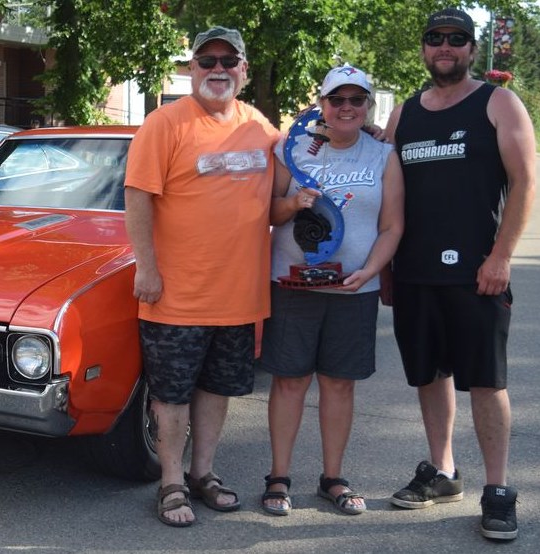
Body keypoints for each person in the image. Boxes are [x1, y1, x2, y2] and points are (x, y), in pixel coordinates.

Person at [383, 8, 536, 541]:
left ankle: (497, 490)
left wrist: (501, 256)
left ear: (471, 49)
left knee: (487, 381)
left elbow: (524, 182)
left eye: (455, 39)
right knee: (429, 374)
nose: (444, 47)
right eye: (434, 39)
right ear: (423, 48)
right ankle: (443, 471)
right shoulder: (405, 114)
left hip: (478, 273)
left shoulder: (497, 102)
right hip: (415, 273)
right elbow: (387, 196)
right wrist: (386, 269)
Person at [124, 26, 279, 527]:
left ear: (244, 69)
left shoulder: (261, 127)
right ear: (191, 69)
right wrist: (146, 267)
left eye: (227, 60)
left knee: (216, 390)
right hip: (176, 294)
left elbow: (300, 171)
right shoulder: (164, 123)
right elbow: (138, 197)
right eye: (206, 61)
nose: (217, 69)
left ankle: (203, 474)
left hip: (238, 296)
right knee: (170, 394)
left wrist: (367, 139)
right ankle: (171, 481)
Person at [259, 65, 404, 517]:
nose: (346, 108)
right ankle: (278, 477)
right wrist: (293, 202)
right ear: (322, 105)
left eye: (356, 100)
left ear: (367, 106)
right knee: (289, 382)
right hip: (293, 283)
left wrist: (371, 272)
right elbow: (271, 212)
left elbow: (392, 225)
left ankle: (333, 478)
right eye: (336, 99)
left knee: (339, 385)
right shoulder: (293, 148)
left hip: (354, 289)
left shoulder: (383, 154)